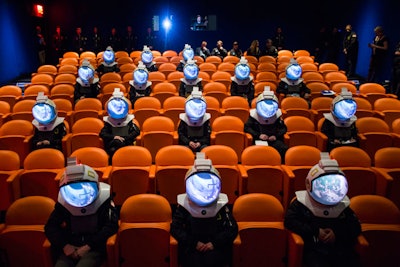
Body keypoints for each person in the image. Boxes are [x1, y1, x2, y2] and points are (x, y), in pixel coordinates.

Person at [284, 152, 362, 267]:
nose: (328, 192)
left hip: (339, 248)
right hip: (313, 248)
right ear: (309, 184)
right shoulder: (301, 203)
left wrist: (337, 234)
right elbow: (290, 221)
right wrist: (315, 231)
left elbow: (355, 227)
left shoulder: (342, 205)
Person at [44, 158, 119, 267]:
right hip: (70, 246)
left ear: (96, 186)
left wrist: (88, 246)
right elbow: (50, 227)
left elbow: (111, 226)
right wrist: (65, 246)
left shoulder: (104, 199)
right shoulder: (64, 202)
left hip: (94, 247)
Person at [170, 152, 238, 267]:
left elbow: (231, 229)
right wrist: (194, 243)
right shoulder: (184, 204)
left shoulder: (221, 204)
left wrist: (214, 243)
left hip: (215, 246)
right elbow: (176, 228)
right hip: (192, 247)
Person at [244, 86, 288, 162]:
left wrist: (276, 136)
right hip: (258, 139)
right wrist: (258, 135)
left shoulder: (277, 115)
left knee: (284, 149)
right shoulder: (253, 115)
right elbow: (247, 128)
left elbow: (284, 128)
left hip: (273, 139)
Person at [100, 88, 141, 164]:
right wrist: (114, 137)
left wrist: (124, 138)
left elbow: (136, 131)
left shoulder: (129, 121)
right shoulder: (109, 122)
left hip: (126, 143)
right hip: (113, 145)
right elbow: (102, 133)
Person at [320, 88, 359, 152]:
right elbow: (325, 133)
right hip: (333, 145)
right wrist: (332, 140)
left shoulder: (352, 121)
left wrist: (353, 138)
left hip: (349, 145)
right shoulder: (329, 120)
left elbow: (354, 132)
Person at [177, 87, 211, 153]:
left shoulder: (206, 119)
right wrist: (188, 142)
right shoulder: (184, 119)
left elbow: (207, 135)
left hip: (201, 143)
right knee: (184, 151)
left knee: (205, 150)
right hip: (187, 143)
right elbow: (181, 134)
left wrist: (200, 142)